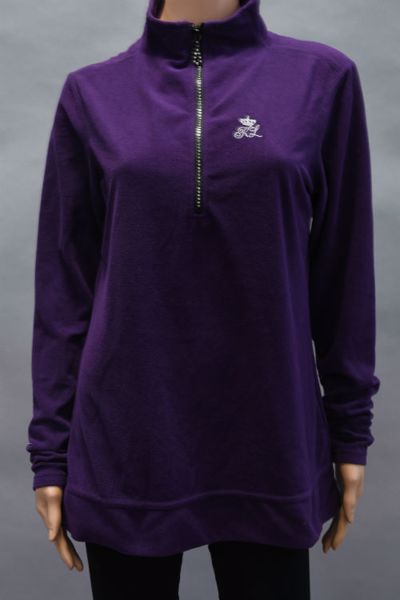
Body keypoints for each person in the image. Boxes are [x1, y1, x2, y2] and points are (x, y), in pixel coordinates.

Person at [26, 0, 381, 598]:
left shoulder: (322, 80)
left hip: (270, 437)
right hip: (128, 442)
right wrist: (51, 452)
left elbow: (344, 271)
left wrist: (350, 429)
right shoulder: (92, 94)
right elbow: (64, 289)